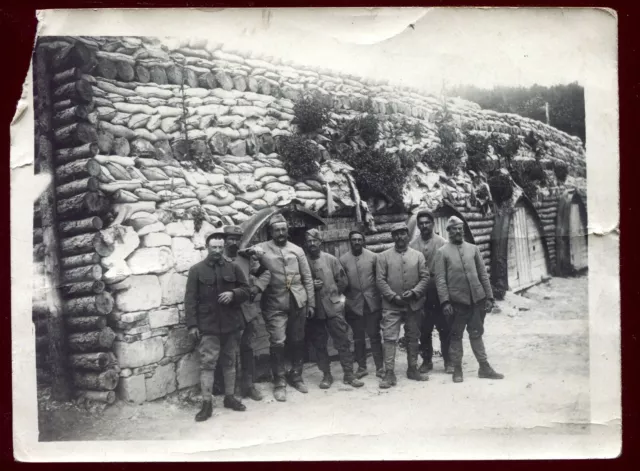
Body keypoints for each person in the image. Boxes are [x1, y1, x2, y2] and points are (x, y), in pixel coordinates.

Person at [246, 213, 315, 402]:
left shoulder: (297, 250)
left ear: (288, 230)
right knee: (278, 342)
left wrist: (311, 303)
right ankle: (279, 381)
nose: (281, 233)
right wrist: (255, 258)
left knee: (298, 340)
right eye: (277, 230)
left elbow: (307, 278)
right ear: (271, 231)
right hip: (274, 303)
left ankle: (296, 375)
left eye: (284, 229)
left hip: (298, 302)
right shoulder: (262, 249)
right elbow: (253, 269)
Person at [184, 233, 251, 422]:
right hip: (208, 326)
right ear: (207, 247)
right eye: (213, 247)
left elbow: (247, 290)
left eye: (220, 247)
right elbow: (190, 300)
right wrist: (192, 325)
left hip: (231, 323)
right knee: (208, 364)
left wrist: (233, 293)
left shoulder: (233, 267)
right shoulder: (196, 270)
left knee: (230, 360)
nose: (217, 251)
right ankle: (207, 404)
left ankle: (230, 398)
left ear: (223, 247)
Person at [434, 216, 504, 383]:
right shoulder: (442, 252)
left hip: (476, 301)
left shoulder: (473, 249)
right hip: (456, 303)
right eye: (454, 229)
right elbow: (440, 280)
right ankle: (457, 369)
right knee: (456, 336)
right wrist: (445, 302)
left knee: (476, 333)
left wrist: (489, 297)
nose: (458, 231)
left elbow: (483, 274)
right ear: (448, 231)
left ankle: (484, 367)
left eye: (460, 228)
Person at [212, 225, 271, 402]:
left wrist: (256, 288)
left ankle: (248, 386)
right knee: (226, 351)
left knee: (247, 349)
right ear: (223, 241)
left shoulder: (245, 259)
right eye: (230, 239)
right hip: (226, 313)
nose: (234, 243)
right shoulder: (216, 260)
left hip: (247, 312)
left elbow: (265, 273)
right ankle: (224, 388)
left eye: (237, 239)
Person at [304, 229, 365, 389]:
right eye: (309, 241)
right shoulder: (302, 262)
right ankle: (326, 375)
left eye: (314, 241)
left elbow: (343, 281)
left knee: (343, 341)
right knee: (319, 344)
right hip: (314, 309)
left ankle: (349, 374)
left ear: (320, 242)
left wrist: (333, 293)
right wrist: (309, 286)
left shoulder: (331, 260)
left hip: (333, 307)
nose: (312, 244)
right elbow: (296, 282)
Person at [376, 222, 430, 388]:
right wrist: (392, 297)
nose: (400, 237)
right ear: (392, 237)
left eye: (402, 233)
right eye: (396, 234)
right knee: (390, 338)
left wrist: (414, 293)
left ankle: (412, 368)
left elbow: (425, 277)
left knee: (413, 336)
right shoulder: (383, 256)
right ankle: (389, 373)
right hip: (391, 305)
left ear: (407, 235)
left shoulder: (418, 256)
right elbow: (380, 280)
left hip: (413, 304)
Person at [409, 209, 451, 374]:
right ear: (418, 226)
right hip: (422, 294)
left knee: (444, 328)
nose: (424, 226)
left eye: (427, 223)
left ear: (433, 224)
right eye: (421, 223)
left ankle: (448, 361)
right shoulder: (412, 246)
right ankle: (427, 361)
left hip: (439, 292)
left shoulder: (443, 243)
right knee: (424, 329)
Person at [340, 230, 384, 379]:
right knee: (358, 337)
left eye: (359, 239)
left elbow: (379, 279)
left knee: (375, 336)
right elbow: (342, 282)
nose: (357, 242)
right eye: (354, 240)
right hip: (354, 305)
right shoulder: (343, 260)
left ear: (363, 241)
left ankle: (380, 367)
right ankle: (362, 367)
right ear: (350, 242)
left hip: (371, 303)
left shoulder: (373, 257)